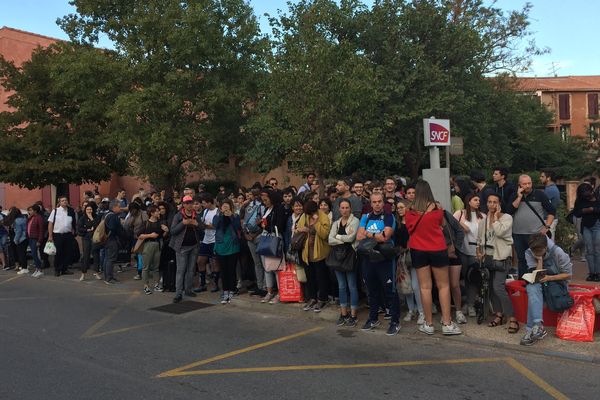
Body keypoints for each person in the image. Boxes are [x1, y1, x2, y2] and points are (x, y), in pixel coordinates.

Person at [405, 180, 462, 336]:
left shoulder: (409, 211)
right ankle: (447, 323)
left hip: (418, 250)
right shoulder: (437, 209)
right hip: (437, 249)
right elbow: (443, 225)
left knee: (425, 287)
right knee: (443, 286)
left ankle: (428, 323)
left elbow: (408, 229)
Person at [356, 192, 402, 336]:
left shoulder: (389, 217)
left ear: (383, 203)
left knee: (390, 291)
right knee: (372, 290)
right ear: (371, 203)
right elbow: (358, 236)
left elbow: (385, 236)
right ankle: (373, 318)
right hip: (368, 260)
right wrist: (376, 235)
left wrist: (369, 234)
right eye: (374, 202)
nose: (376, 204)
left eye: (379, 201)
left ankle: (395, 321)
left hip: (384, 260)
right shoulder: (365, 217)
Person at [476, 194, 519, 333]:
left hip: (502, 257)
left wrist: (495, 218)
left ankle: (513, 317)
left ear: (499, 203)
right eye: (489, 202)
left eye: (495, 202)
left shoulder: (506, 218)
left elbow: (500, 232)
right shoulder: (483, 220)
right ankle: (499, 315)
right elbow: (480, 239)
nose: (492, 205)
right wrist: (479, 251)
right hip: (488, 257)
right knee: (492, 289)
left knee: (498, 287)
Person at [520, 233, 572, 346]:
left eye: (539, 252)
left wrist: (550, 278)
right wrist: (539, 260)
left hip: (557, 283)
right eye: (534, 252)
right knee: (532, 287)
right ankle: (538, 325)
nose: (535, 254)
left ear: (545, 247)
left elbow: (568, 275)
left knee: (533, 293)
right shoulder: (529, 252)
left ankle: (530, 330)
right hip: (542, 283)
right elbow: (537, 275)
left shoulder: (558, 252)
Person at [507, 174, 555, 277]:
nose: (528, 186)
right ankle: (523, 282)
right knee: (521, 259)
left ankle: (537, 281)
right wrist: (519, 197)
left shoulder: (539, 194)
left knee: (537, 257)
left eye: (529, 183)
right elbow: (509, 210)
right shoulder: (515, 195)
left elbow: (552, 211)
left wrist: (547, 226)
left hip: (535, 234)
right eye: (524, 184)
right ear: (519, 185)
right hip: (518, 233)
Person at [328, 199, 360, 327]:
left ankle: (353, 315)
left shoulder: (355, 221)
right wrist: (343, 239)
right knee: (341, 286)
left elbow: (351, 238)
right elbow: (329, 239)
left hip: (350, 257)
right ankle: (343, 313)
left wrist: (338, 237)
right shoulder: (336, 223)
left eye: (347, 207)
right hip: (337, 257)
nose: (345, 210)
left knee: (352, 286)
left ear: (350, 208)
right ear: (339, 209)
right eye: (342, 207)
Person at [453, 192, 483, 322]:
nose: (478, 202)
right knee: (462, 277)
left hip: (476, 251)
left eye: (479, 200)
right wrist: (460, 225)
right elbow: (451, 224)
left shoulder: (483, 216)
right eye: (475, 200)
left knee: (472, 278)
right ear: (469, 201)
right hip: (461, 250)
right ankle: (462, 304)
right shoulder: (459, 213)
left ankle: (470, 304)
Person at [297, 200, 331, 311]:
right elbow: (298, 228)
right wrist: (303, 230)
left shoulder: (323, 217)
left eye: (310, 213)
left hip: (320, 252)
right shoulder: (305, 216)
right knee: (310, 277)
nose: (309, 215)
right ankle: (312, 298)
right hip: (307, 252)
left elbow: (325, 234)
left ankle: (322, 299)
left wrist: (316, 223)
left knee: (321, 277)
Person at [170, 195, 204, 303]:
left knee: (191, 270)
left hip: (194, 246)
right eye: (187, 203)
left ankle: (188, 289)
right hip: (181, 247)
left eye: (191, 203)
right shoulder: (178, 216)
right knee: (181, 270)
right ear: (183, 204)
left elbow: (202, 231)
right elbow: (172, 231)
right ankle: (178, 293)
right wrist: (182, 223)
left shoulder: (196, 216)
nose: (189, 205)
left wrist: (197, 224)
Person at [259, 189, 287, 304]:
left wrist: (265, 225)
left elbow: (280, 225)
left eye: (266, 200)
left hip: (274, 239)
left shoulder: (279, 209)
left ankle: (280, 293)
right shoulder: (267, 209)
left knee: (276, 268)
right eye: (263, 200)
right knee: (267, 267)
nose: (264, 202)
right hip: (265, 238)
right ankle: (269, 292)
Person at [213, 199, 242, 304]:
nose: (225, 207)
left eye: (227, 206)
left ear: (231, 207)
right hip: (221, 246)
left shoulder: (235, 216)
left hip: (232, 246)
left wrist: (230, 216)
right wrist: (222, 215)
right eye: (223, 206)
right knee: (223, 270)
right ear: (220, 207)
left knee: (231, 270)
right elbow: (215, 225)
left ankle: (232, 290)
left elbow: (238, 227)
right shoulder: (217, 216)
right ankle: (225, 291)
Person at [241, 188, 266, 296]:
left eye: (256, 195)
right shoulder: (248, 206)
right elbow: (242, 219)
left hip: (259, 236)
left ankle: (265, 286)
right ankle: (260, 286)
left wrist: (254, 235)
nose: (254, 197)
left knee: (264, 263)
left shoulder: (263, 206)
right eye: (252, 194)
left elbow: (264, 223)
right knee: (257, 263)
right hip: (249, 238)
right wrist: (246, 234)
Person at [572, 182, 600, 281]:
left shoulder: (598, 197)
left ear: (591, 190)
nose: (587, 197)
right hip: (586, 226)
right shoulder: (580, 200)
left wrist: (593, 209)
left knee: (597, 249)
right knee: (589, 250)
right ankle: (592, 273)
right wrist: (584, 211)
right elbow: (576, 212)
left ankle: (598, 273)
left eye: (588, 194)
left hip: (597, 225)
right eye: (584, 195)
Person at [137, 205, 166, 295]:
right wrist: (150, 235)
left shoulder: (160, 223)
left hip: (157, 245)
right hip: (148, 244)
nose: (159, 212)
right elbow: (139, 235)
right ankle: (146, 286)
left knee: (156, 267)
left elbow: (162, 236)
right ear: (152, 213)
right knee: (146, 267)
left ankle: (156, 285)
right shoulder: (146, 223)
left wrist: (166, 231)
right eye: (157, 211)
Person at [48, 197, 77, 277]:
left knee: (67, 252)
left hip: (68, 235)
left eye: (66, 200)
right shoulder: (55, 211)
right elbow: (50, 223)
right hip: (58, 235)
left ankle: (64, 269)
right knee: (58, 253)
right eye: (62, 201)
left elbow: (73, 222)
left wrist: (74, 232)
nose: (64, 202)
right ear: (59, 202)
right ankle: (57, 269)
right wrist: (50, 236)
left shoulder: (71, 211)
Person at [197, 194, 219, 293]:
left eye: (204, 203)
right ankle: (202, 284)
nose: (203, 205)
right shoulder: (205, 211)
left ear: (209, 202)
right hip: (206, 239)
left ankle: (216, 284)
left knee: (214, 263)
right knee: (200, 261)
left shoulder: (217, 211)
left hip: (215, 239)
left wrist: (204, 225)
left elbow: (216, 226)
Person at [102, 200, 125, 284]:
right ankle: (108, 278)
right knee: (111, 259)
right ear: (114, 207)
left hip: (105, 239)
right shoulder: (113, 216)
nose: (120, 208)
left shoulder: (106, 214)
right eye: (119, 207)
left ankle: (108, 276)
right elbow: (113, 228)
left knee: (107, 258)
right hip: (111, 239)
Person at [76, 204, 98, 281]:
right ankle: (83, 274)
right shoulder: (82, 218)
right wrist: (87, 229)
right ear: (85, 210)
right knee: (86, 256)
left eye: (90, 209)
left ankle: (97, 272)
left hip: (95, 238)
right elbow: (79, 229)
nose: (89, 211)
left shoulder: (95, 217)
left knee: (96, 255)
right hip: (86, 239)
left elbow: (97, 226)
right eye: (88, 209)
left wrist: (92, 219)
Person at [5, 207, 28, 274]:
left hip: (21, 239)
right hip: (25, 238)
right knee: (23, 253)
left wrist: (15, 240)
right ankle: (24, 267)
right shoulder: (23, 218)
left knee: (21, 254)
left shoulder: (17, 221)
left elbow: (18, 232)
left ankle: (24, 268)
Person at [540, 170, 560, 239]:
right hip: (549, 219)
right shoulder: (550, 188)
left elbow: (541, 205)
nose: (540, 178)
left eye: (542, 176)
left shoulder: (550, 190)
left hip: (549, 220)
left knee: (549, 243)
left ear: (548, 178)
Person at [26, 205, 45, 278]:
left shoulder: (39, 218)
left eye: (31, 210)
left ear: (35, 211)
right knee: (33, 255)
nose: (29, 212)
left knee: (34, 254)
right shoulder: (31, 218)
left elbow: (41, 230)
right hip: (30, 238)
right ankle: (37, 269)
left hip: (35, 238)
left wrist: (39, 240)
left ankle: (39, 270)